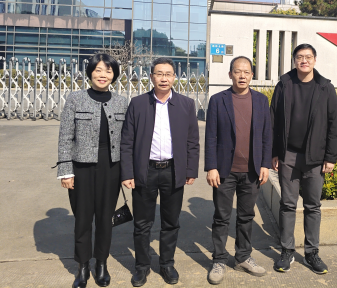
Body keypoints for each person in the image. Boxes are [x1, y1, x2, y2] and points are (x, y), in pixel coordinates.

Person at [120, 57, 200, 287]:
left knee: (171, 222)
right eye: (159, 74)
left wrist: (190, 169)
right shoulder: (138, 103)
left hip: (173, 171)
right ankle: (142, 266)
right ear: (151, 77)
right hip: (145, 170)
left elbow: (192, 141)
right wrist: (127, 172)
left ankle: (167, 264)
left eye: (168, 74)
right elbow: (127, 141)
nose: (164, 78)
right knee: (142, 223)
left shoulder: (186, 104)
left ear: (174, 77)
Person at [56, 53, 128, 288]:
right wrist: (66, 171)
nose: (103, 75)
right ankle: (83, 266)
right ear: (90, 73)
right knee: (83, 219)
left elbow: (127, 140)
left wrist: (127, 172)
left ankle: (101, 264)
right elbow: (65, 136)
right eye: (98, 70)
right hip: (82, 168)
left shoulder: (121, 101)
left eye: (108, 71)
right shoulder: (76, 99)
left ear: (114, 75)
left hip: (111, 167)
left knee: (106, 219)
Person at [271, 44, 337, 274]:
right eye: (300, 57)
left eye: (308, 57)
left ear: (314, 60)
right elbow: (273, 120)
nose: (304, 61)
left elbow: (334, 124)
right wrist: (274, 152)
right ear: (294, 60)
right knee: (288, 204)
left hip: (315, 157)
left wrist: (330, 157)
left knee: (313, 206)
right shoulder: (284, 84)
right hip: (288, 155)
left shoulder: (325, 87)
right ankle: (287, 251)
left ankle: (312, 253)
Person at [204, 56, 272, 285]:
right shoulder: (218, 100)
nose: (242, 76)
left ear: (252, 75)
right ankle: (219, 260)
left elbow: (267, 136)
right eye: (237, 71)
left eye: (246, 72)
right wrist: (211, 167)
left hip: (251, 171)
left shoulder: (261, 101)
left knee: (246, 216)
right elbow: (211, 136)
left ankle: (243, 257)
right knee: (221, 217)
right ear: (230, 74)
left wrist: (265, 164)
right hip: (225, 171)